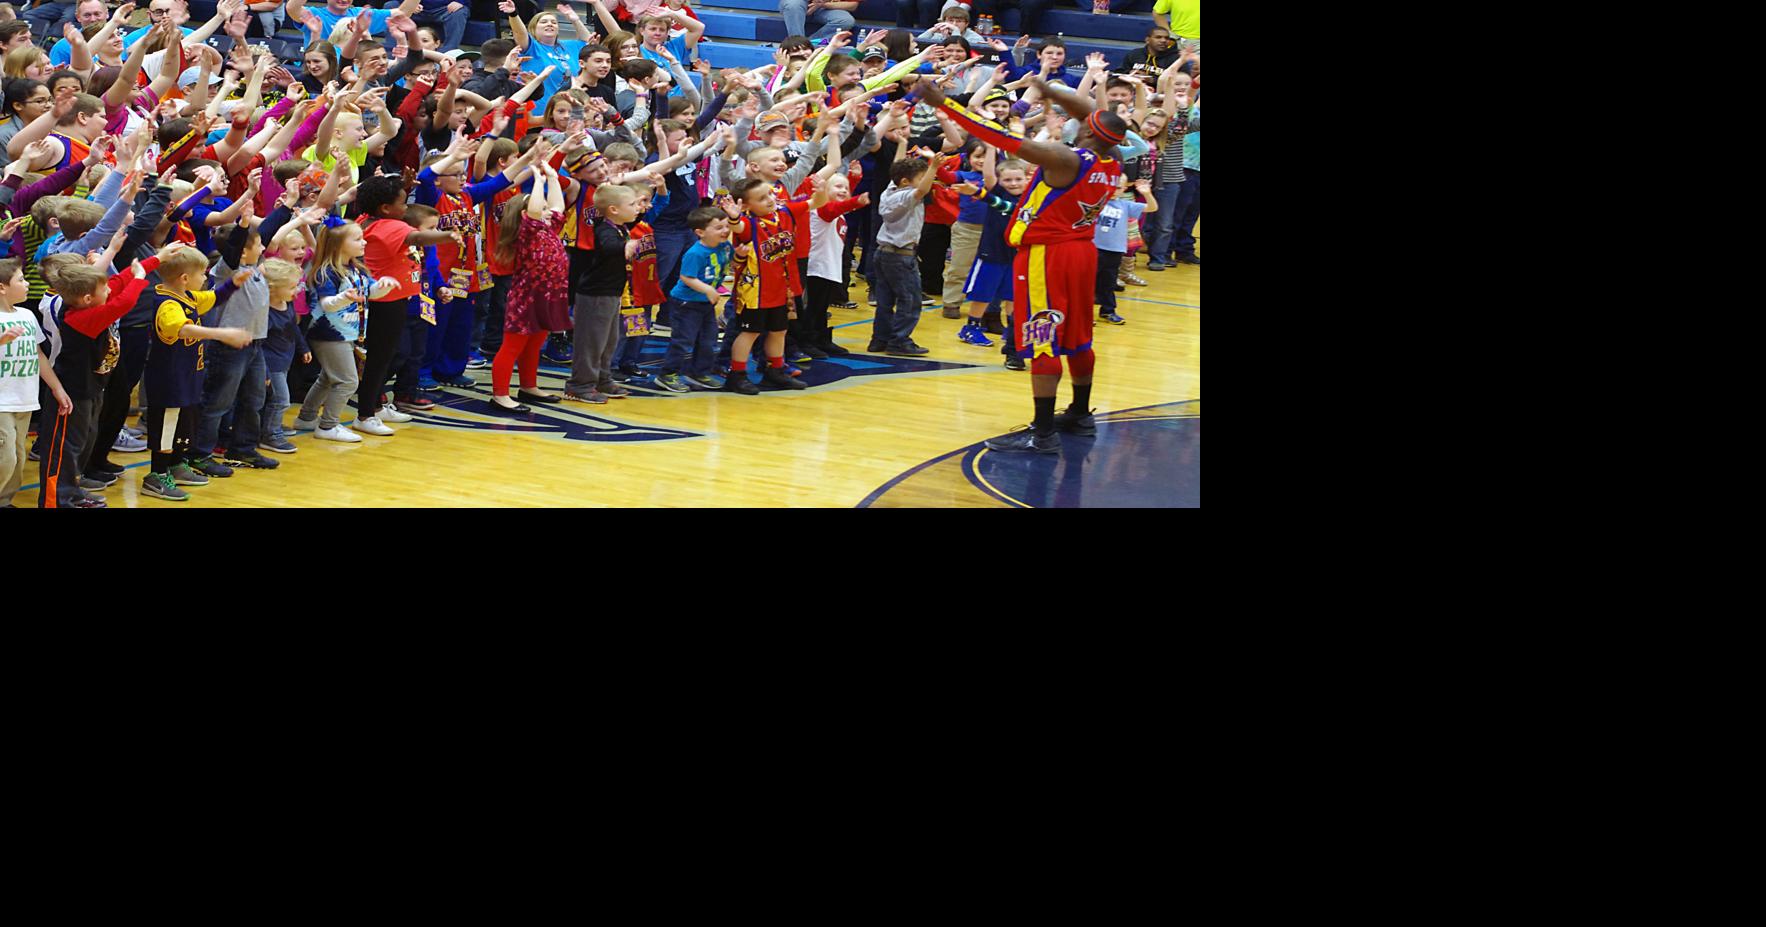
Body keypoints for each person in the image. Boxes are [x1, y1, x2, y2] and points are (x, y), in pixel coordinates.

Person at [917, 74, 1126, 452]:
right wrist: (1049, 91)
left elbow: (1002, 138)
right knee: (1078, 336)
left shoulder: (1065, 158)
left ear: (1086, 132)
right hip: (1082, 251)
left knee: (1043, 336)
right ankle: (1080, 414)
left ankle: (1042, 433)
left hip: (1048, 254)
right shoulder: (1113, 159)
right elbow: (1091, 114)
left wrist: (943, 103)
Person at [138, 243, 253, 501]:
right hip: (168, 381)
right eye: (202, 274)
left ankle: (176, 465)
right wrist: (221, 334)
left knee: (184, 425)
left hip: (188, 377)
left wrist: (233, 284)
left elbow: (213, 298)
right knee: (166, 430)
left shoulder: (188, 296)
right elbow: (183, 329)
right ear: (184, 278)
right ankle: (156, 476)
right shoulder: (167, 304)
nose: (205, 278)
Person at [351, 173, 460, 437]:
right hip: (388, 302)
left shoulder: (368, 219)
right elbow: (418, 239)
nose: (406, 207)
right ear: (385, 208)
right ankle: (365, 415)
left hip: (383, 299)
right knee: (380, 359)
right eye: (402, 203)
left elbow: (388, 205)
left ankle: (376, 406)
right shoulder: (391, 226)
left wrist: (404, 186)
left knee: (382, 357)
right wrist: (448, 235)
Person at [490, 152, 572, 412]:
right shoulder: (527, 231)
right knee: (513, 346)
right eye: (541, 209)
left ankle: (528, 386)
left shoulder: (548, 228)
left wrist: (553, 178)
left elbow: (557, 206)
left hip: (549, 297)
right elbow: (536, 210)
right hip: (527, 299)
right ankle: (500, 395)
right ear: (524, 215)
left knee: (535, 344)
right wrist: (537, 180)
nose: (548, 212)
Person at [718, 177, 807, 393]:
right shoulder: (749, 224)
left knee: (779, 331)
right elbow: (737, 226)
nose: (769, 199)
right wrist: (733, 216)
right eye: (761, 198)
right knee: (750, 332)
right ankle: (737, 375)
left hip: (781, 287)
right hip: (755, 291)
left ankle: (775, 371)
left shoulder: (782, 215)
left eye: (769, 194)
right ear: (746, 206)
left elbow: (815, 203)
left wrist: (822, 191)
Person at [0, 257, 73, 509]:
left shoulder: (28, 315)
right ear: (2, 287)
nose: (28, 283)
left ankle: (4, 501)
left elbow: (39, 355)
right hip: (2, 402)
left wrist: (57, 387)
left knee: (18, 459)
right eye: (21, 279)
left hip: (25, 399)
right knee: (5, 458)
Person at [562, 182, 641, 403]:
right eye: (632, 204)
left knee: (608, 341)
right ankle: (579, 385)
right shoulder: (603, 229)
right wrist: (625, 247)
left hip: (611, 292)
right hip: (595, 295)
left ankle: (601, 379)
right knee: (591, 342)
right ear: (614, 209)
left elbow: (636, 218)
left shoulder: (618, 226)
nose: (637, 208)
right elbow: (607, 246)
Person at [652, 205, 730, 392]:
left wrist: (741, 255)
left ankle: (699, 372)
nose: (725, 231)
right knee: (683, 340)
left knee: (708, 339)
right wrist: (708, 289)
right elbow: (686, 277)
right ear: (700, 232)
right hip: (686, 303)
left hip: (705, 303)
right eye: (719, 228)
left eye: (727, 226)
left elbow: (731, 262)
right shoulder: (695, 253)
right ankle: (667, 374)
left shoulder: (725, 246)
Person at [869, 150, 938, 357]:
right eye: (921, 177)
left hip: (884, 253)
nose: (926, 180)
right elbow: (922, 190)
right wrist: (934, 166)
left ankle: (880, 339)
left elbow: (898, 169)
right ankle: (899, 341)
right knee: (910, 300)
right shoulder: (907, 196)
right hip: (901, 256)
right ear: (906, 182)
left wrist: (901, 144)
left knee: (885, 301)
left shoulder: (889, 190)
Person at [1091, 175, 1153, 325]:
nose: (1113, 190)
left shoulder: (1125, 205)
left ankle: (1108, 311)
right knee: (1088, 283)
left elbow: (1152, 208)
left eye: (1118, 187)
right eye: (1110, 186)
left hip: (1114, 250)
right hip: (1093, 248)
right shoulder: (1094, 202)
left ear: (1124, 189)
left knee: (1108, 283)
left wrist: (1147, 194)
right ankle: (1083, 314)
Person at [779, 0, 857, 42]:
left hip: (827, 8)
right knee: (793, 5)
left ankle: (807, 44)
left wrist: (821, 4)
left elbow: (852, 5)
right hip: (801, 4)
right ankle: (796, 43)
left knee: (846, 20)